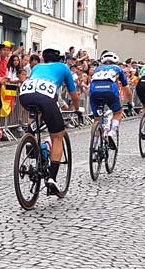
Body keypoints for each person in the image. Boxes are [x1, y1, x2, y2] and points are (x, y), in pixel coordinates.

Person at [19, 47, 80, 197]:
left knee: (38, 117)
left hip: (25, 94)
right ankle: (52, 178)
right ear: (59, 59)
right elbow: (74, 95)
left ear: (43, 59)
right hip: (46, 96)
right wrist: (77, 109)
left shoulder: (38, 67)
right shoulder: (63, 67)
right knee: (58, 136)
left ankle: (31, 138)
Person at [87, 51, 129, 143]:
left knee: (97, 119)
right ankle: (112, 132)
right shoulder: (117, 68)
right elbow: (126, 87)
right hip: (110, 90)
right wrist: (130, 101)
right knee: (118, 112)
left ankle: (94, 146)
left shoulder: (97, 69)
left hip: (94, 91)